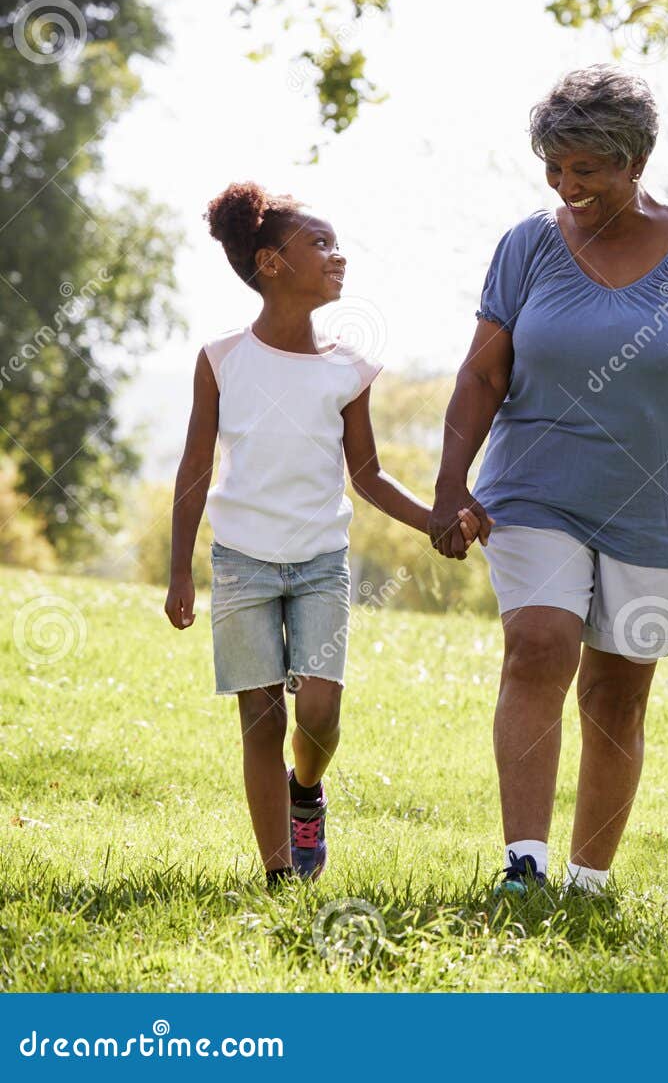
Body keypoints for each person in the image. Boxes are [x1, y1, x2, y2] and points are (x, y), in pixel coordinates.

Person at [428, 65, 668, 896]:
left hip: (660, 504)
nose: (566, 185)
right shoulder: (527, 245)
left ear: (634, 161)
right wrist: (452, 483)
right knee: (538, 646)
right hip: (534, 487)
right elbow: (482, 375)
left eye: (584, 168)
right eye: (554, 168)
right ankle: (523, 864)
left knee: (617, 694)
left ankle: (588, 879)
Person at [165, 182, 482, 888]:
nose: (338, 256)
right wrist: (181, 569)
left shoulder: (349, 368)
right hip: (242, 563)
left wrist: (434, 518)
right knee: (259, 718)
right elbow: (194, 467)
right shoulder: (220, 359)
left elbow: (365, 475)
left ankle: (306, 789)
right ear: (272, 263)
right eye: (321, 243)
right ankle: (280, 872)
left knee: (318, 710)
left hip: (318, 564)